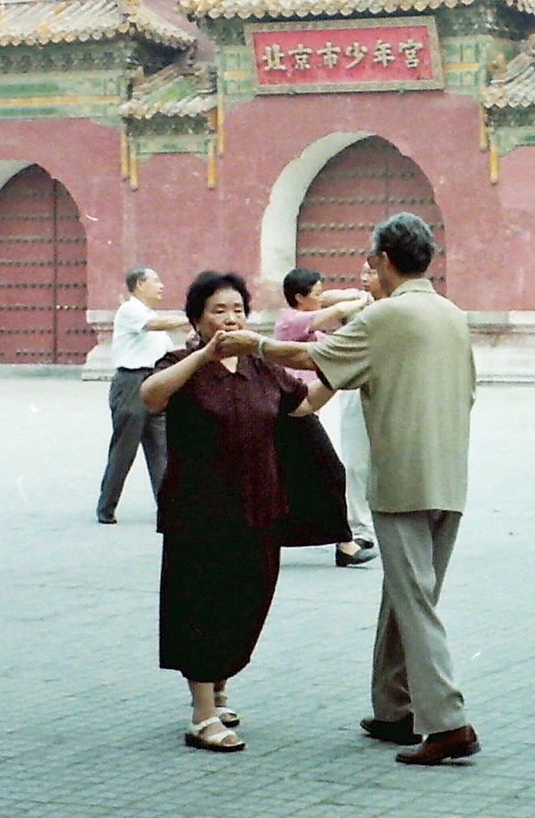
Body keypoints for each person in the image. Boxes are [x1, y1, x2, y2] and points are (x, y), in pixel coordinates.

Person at [248, 213, 481, 765]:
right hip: (449, 474)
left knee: (413, 599)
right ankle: (394, 708)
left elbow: (307, 356)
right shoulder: (451, 314)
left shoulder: (387, 315)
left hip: (403, 476)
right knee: (406, 595)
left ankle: (448, 722)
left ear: (382, 260)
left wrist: (247, 344)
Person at [141, 271, 335, 752]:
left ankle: (221, 681)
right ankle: (201, 712)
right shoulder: (179, 364)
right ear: (197, 320)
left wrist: (339, 376)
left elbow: (302, 405)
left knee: (250, 599)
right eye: (218, 311)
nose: (230, 320)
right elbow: (151, 396)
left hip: (260, 505)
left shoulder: (260, 368)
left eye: (237, 310)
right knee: (200, 603)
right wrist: (202, 356)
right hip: (199, 510)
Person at [276, 266, 376, 567]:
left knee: (287, 478)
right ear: (299, 297)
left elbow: (333, 310)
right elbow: (336, 309)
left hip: (299, 410)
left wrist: (355, 294)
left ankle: (266, 536)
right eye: (316, 295)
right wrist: (363, 300)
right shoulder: (290, 321)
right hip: (290, 410)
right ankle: (345, 544)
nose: (322, 299)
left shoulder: (312, 332)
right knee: (332, 472)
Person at [97, 266, 186, 525]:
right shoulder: (131, 311)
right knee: (125, 449)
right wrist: (190, 318)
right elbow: (154, 325)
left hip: (154, 382)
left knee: (161, 447)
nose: (161, 286)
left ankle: (167, 506)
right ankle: (106, 506)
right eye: (155, 281)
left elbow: (169, 352)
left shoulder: (149, 315)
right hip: (131, 383)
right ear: (138, 285)